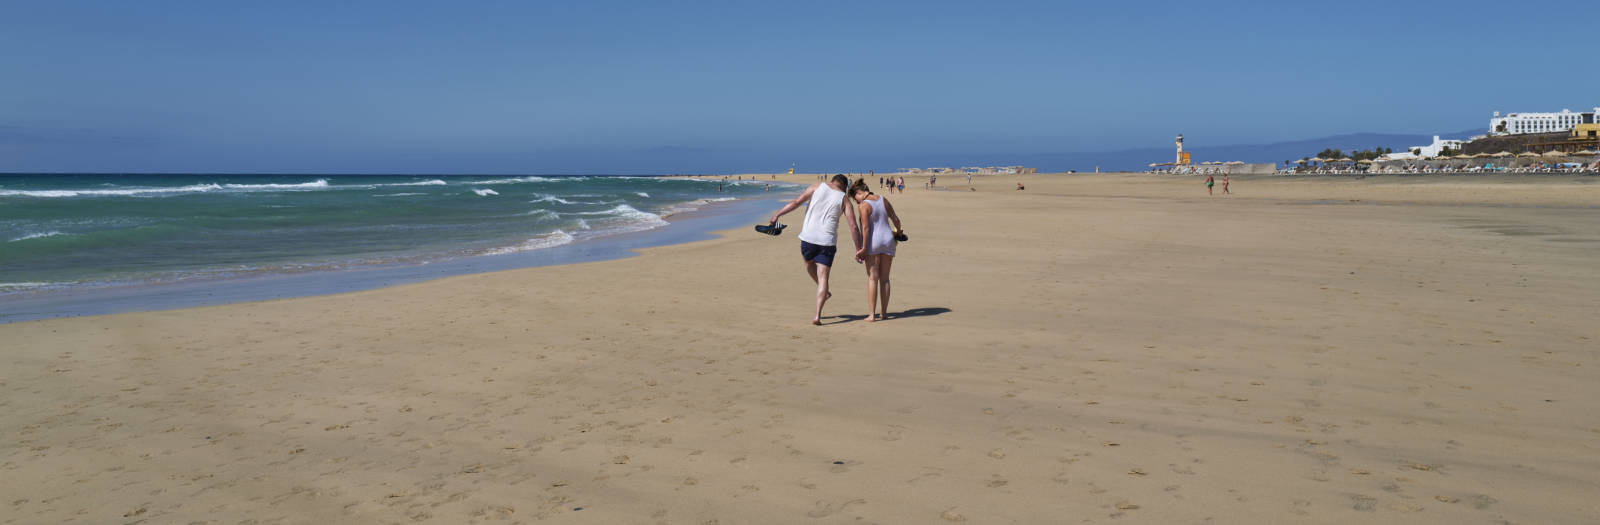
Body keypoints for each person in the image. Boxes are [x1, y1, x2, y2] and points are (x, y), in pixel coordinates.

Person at [770, 174, 863, 325]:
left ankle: (823, 291)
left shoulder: (817, 186)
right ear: (844, 187)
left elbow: (796, 202)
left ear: (832, 181)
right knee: (823, 277)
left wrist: (777, 215)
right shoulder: (844, 199)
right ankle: (817, 315)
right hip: (827, 241)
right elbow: (853, 226)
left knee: (809, 265)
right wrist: (858, 248)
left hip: (808, 238)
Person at [848, 179, 902, 322]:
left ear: (859, 193)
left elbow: (865, 228)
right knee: (885, 278)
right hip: (888, 240)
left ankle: (872, 315)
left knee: (873, 278)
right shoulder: (883, 199)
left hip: (874, 241)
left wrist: (864, 248)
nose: (857, 202)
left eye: (855, 199)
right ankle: (883, 313)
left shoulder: (864, 205)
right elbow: (896, 219)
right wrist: (900, 233)